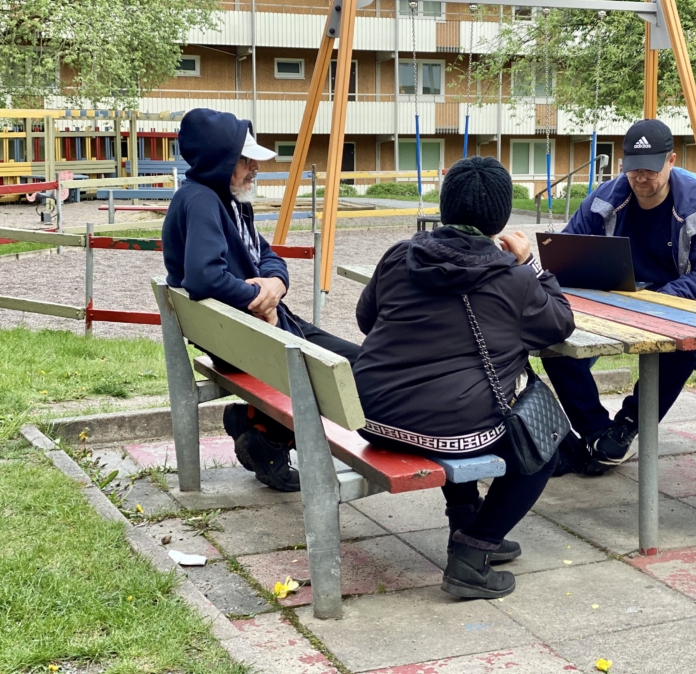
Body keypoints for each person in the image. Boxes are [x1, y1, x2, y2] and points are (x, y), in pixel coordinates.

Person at [352, 156, 575, 600]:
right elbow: (559, 324)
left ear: (446, 205)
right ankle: (473, 554)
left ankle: (465, 524)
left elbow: (365, 320)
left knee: (467, 397)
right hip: (446, 429)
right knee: (544, 440)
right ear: (501, 215)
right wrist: (531, 264)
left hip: (369, 414)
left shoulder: (400, 254)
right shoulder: (513, 278)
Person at [162, 108, 361, 493]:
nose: (254, 166)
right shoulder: (203, 201)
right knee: (350, 368)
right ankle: (267, 438)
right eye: (244, 159)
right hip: (249, 335)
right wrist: (259, 297)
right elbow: (203, 276)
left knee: (345, 359)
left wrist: (274, 285)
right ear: (218, 161)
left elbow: (268, 255)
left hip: (241, 330)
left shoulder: (229, 199)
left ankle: (257, 422)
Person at [543, 118, 696, 475]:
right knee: (555, 341)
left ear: (672, 160)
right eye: (633, 170)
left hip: (676, 307)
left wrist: (660, 298)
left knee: (685, 347)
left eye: (650, 170)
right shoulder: (604, 200)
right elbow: (566, 253)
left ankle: (629, 423)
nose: (642, 178)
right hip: (613, 300)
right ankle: (599, 433)